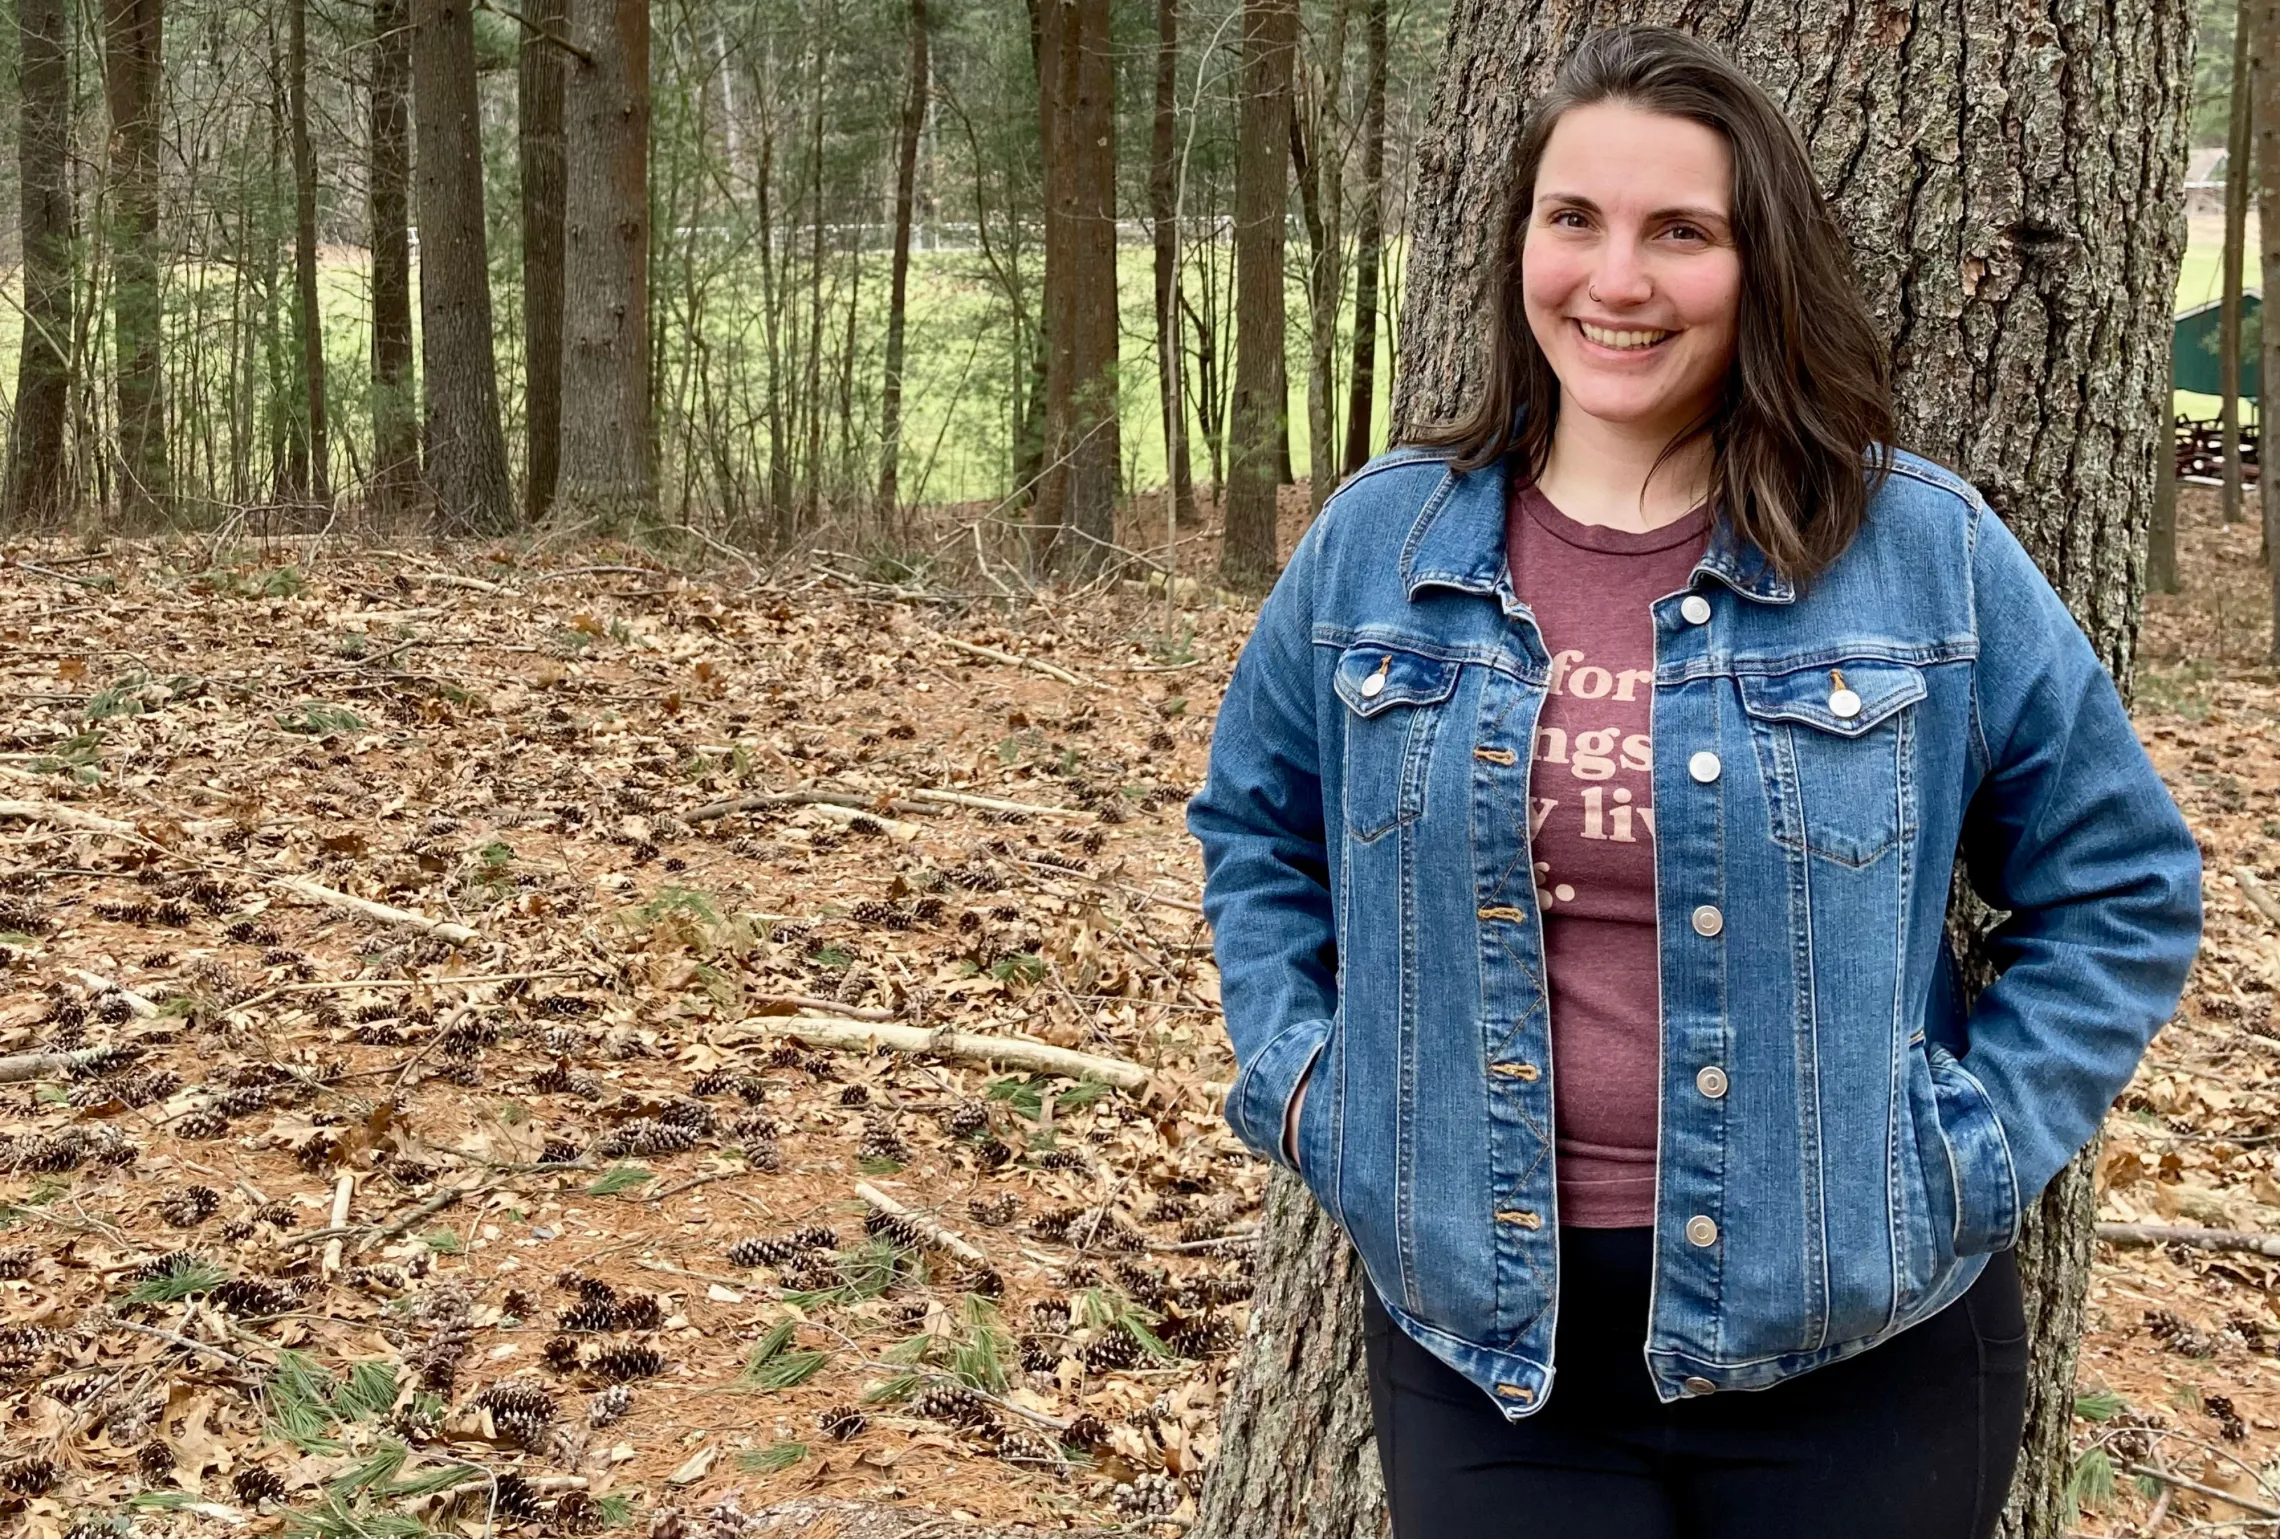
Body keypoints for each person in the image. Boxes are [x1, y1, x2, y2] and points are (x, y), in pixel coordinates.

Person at [1184, 25, 2202, 1539]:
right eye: (1574, 219)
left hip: (1858, 1340)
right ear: (1521, 240)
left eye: (1682, 232)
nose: (1616, 280)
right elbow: (1257, 832)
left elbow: (2123, 882)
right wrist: (1317, 1095)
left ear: (1758, 263)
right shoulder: (1381, 548)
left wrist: (1964, 1150)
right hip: (1484, 1344)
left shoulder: (1919, 552)